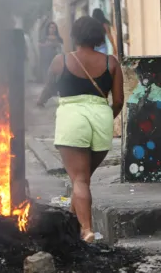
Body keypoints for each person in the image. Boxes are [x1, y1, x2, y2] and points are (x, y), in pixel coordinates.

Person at [36, 16, 124, 243]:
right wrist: (106, 119)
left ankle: (86, 230)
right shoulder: (111, 63)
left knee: (80, 181)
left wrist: (39, 102)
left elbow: (48, 89)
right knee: (82, 179)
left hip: (73, 119)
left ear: (74, 36)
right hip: (101, 119)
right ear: (98, 36)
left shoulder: (61, 61)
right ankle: (71, 227)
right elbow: (118, 101)